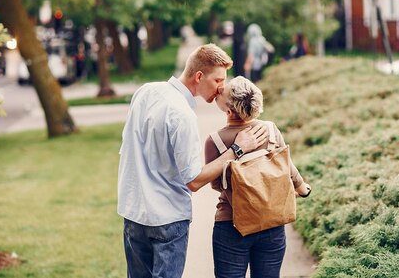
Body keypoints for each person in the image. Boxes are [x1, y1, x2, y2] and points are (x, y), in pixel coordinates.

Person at [117, 44, 268, 278]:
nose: (221, 88)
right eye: (218, 80)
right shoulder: (183, 114)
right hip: (167, 219)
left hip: (133, 214)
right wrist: (237, 150)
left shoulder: (145, 92)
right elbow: (194, 181)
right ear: (199, 76)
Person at [205, 76, 312, 278]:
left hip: (231, 224)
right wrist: (301, 188)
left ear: (229, 111)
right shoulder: (270, 130)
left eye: (222, 92)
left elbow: (216, 184)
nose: (219, 90)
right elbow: (286, 165)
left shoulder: (215, 141)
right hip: (271, 222)